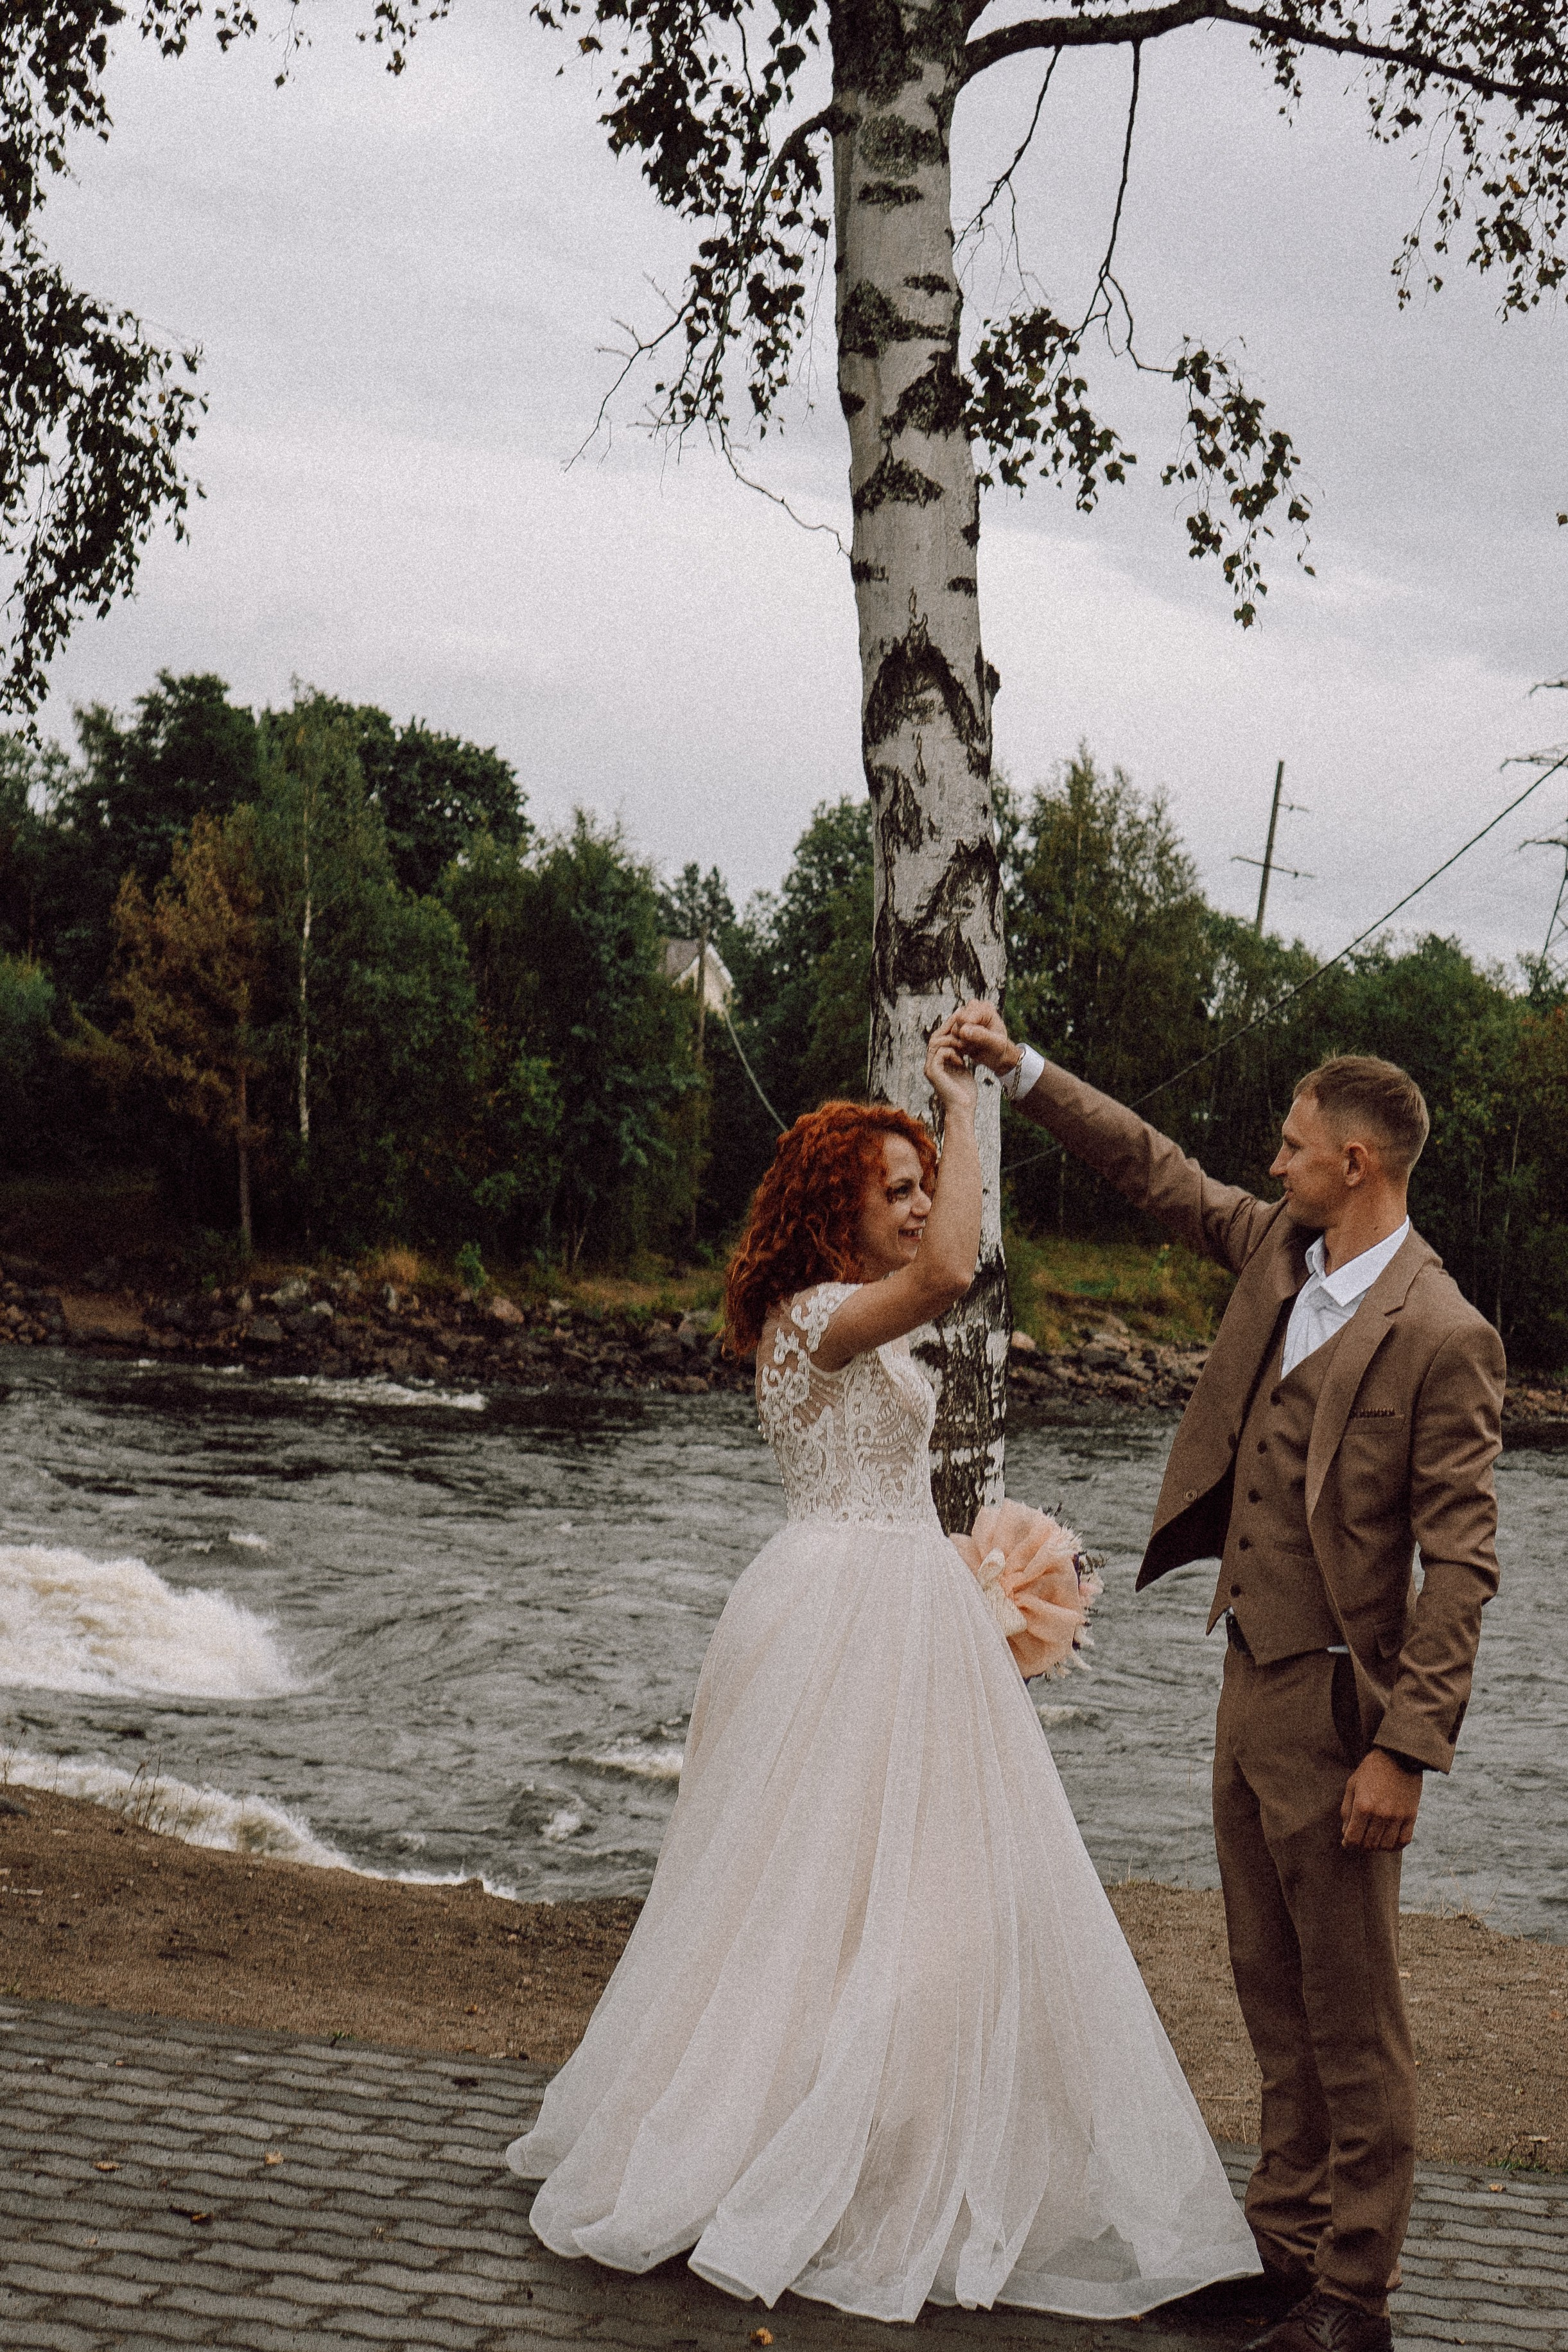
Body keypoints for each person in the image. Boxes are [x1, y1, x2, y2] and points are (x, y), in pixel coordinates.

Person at [505, 1018, 1259, 2322]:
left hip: (892, 1591)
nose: (919, 1208)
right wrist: (964, 1108)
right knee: (799, 1884)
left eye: (922, 1184)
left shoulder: (840, 1319)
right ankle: (781, 2145)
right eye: (894, 1189)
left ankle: (872, 2132)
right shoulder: (814, 1316)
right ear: (833, 1214)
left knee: (898, 1889)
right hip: (843, 1606)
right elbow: (961, 1265)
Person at [951, 1006, 1506, 2352]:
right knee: (1270, 1979)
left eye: (1299, 1144)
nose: (1275, 1159)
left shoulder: (1443, 1330)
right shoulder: (1280, 1250)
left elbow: (1464, 1570)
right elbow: (1154, 1166)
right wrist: (1021, 1071)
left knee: (1354, 2009)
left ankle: (1355, 2290)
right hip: (1247, 1680)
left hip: (1340, 1707)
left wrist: (1405, 1749)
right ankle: (1286, 2240)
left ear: (1361, 1160)